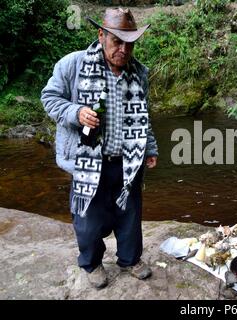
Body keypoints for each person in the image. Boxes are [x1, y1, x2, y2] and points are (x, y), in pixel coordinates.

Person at [41, 7, 158, 289]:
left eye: (129, 43)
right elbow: (50, 98)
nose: (124, 49)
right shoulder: (73, 65)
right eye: (117, 41)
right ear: (101, 35)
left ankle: (130, 259)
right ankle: (91, 264)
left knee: (129, 213)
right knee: (88, 219)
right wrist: (76, 112)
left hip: (127, 159)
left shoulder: (138, 72)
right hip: (88, 159)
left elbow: (144, 114)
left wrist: (150, 148)